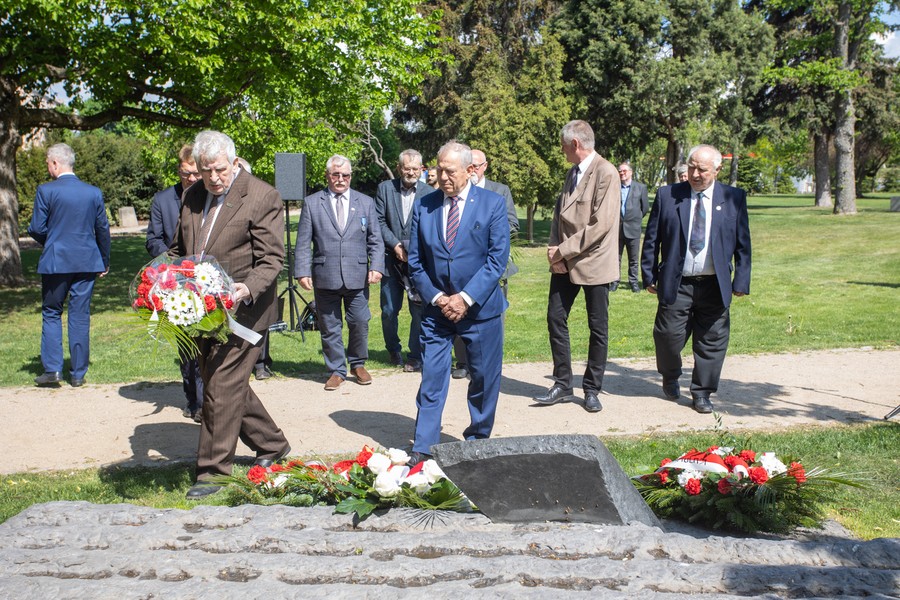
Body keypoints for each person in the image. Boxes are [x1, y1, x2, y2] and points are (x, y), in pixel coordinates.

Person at [170, 130, 291, 498]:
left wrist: (246, 288)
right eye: (206, 171)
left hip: (246, 309)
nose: (213, 178)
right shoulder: (193, 195)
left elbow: (272, 258)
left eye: (220, 170)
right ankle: (272, 445)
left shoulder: (262, 195)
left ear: (234, 162)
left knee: (221, 384)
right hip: (201, 310)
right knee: (226, 381)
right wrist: (165, 281)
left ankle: (212, 473)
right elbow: (180, 248)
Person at [406, 141, 509, 466]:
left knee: (482, 378)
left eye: (449, 171)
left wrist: (465, 298)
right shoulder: (425, 206)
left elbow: (496, 260)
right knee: (432, 379)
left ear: (470, 170)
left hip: (480, 311)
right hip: (437, 311)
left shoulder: (492, 204)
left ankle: (477, 442)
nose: (442, 176)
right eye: (438, 169)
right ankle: (423, 449)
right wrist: (438, 297)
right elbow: (415, 261)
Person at [641, 144, 751, 414]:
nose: (695, 173)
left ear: (717, 170)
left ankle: (702, 392)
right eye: (691, 166)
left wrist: (741, 281)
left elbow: (742, 244)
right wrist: (648, 273)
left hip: (715, 284)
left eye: (702, 169)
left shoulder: (733, 197)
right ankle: (670, 375)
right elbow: (652, 239)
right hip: (677, 283)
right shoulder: (668, 195)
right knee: (666, 336)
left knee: (712, 340)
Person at [533, 120, 620, 414]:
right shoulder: (572, 173)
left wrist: (562, 251)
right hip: (565, 262)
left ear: (575, 145)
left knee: (598, 328)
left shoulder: (606, 172)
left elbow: (601, 225)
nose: (561, 151)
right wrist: (556, 254)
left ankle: (592, 389)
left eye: (562, 145)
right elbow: (559, 215)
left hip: (595, 261)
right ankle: (562, 383)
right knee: (555, 318)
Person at [294, 155, 384, 391]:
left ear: (351, 176)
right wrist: (302, 271)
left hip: (357, 275)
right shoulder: (313, 203)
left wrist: (376, 265)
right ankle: (336, 370)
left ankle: (357, 363)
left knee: (359, 322)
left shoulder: (365, 202)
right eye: (336, 174)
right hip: (326, 275)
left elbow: (375, 239)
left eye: (345, 175)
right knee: (329, 326)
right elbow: (303, 242)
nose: (341, 179)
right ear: (328, 176)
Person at [28, 143, 111, 388]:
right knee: (80, 314)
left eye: (47, 162)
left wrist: (52, 242)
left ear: (55, 163)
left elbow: (35, 228)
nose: (47, 167)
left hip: (56, 261)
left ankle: (53, 370)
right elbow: (102, 229)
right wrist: (104, 260)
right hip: (87, 261)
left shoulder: (45, 191)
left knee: (52, 312)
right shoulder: (93, 192)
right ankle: (77, 373)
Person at [145, 144, 204, 421]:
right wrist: (172, 263)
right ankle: (193, 398)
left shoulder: (210, 196)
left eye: (195, 174)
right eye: (185, 174)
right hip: (175, 281)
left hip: (206, 278)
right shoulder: (163, 200)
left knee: (208, 339)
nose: (190, 179)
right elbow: (153, 239)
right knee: (186, 344)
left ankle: (206, 400)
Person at [451, 149, 520, 379]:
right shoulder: (453, 193)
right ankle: (463, 362)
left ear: (485, 167)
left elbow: (512, 223)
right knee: (459, 308)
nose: (473, 171)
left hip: (492, 265)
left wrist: (489, 233)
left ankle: (488, 363)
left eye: (477, 166)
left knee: (491, 316)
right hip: (461, 268)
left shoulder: (500, 191)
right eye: (470, 165)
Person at [375, 149, 432, 372]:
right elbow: (378, 221)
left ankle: (414, 355)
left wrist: (414, 251)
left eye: (415, 169)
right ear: (399, 168)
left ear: (421, 169)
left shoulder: (429, 192)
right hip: (391, 260)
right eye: (407, 168)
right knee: (389, 309)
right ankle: (393, 349)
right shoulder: (385, 189)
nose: (411, 172)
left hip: (419, 262)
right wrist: (396, 245)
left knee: (418, 309)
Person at [236, 156, 274, 381]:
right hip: (230, 279)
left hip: (257, 277)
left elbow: (271, 251)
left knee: (259, 325)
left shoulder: (263, 198)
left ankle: (261, 363)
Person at [614, 162, 649, 293]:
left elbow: (645, 208)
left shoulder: (641, 188)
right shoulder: (614, 187)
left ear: (631, 172)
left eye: (624, 171)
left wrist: (635, 218)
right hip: (617, 229)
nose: (622, 173)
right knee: (615, 258)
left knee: (633, 259)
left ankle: (633, 282)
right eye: (620, 171)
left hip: (633, 229)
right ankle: (614, 281)